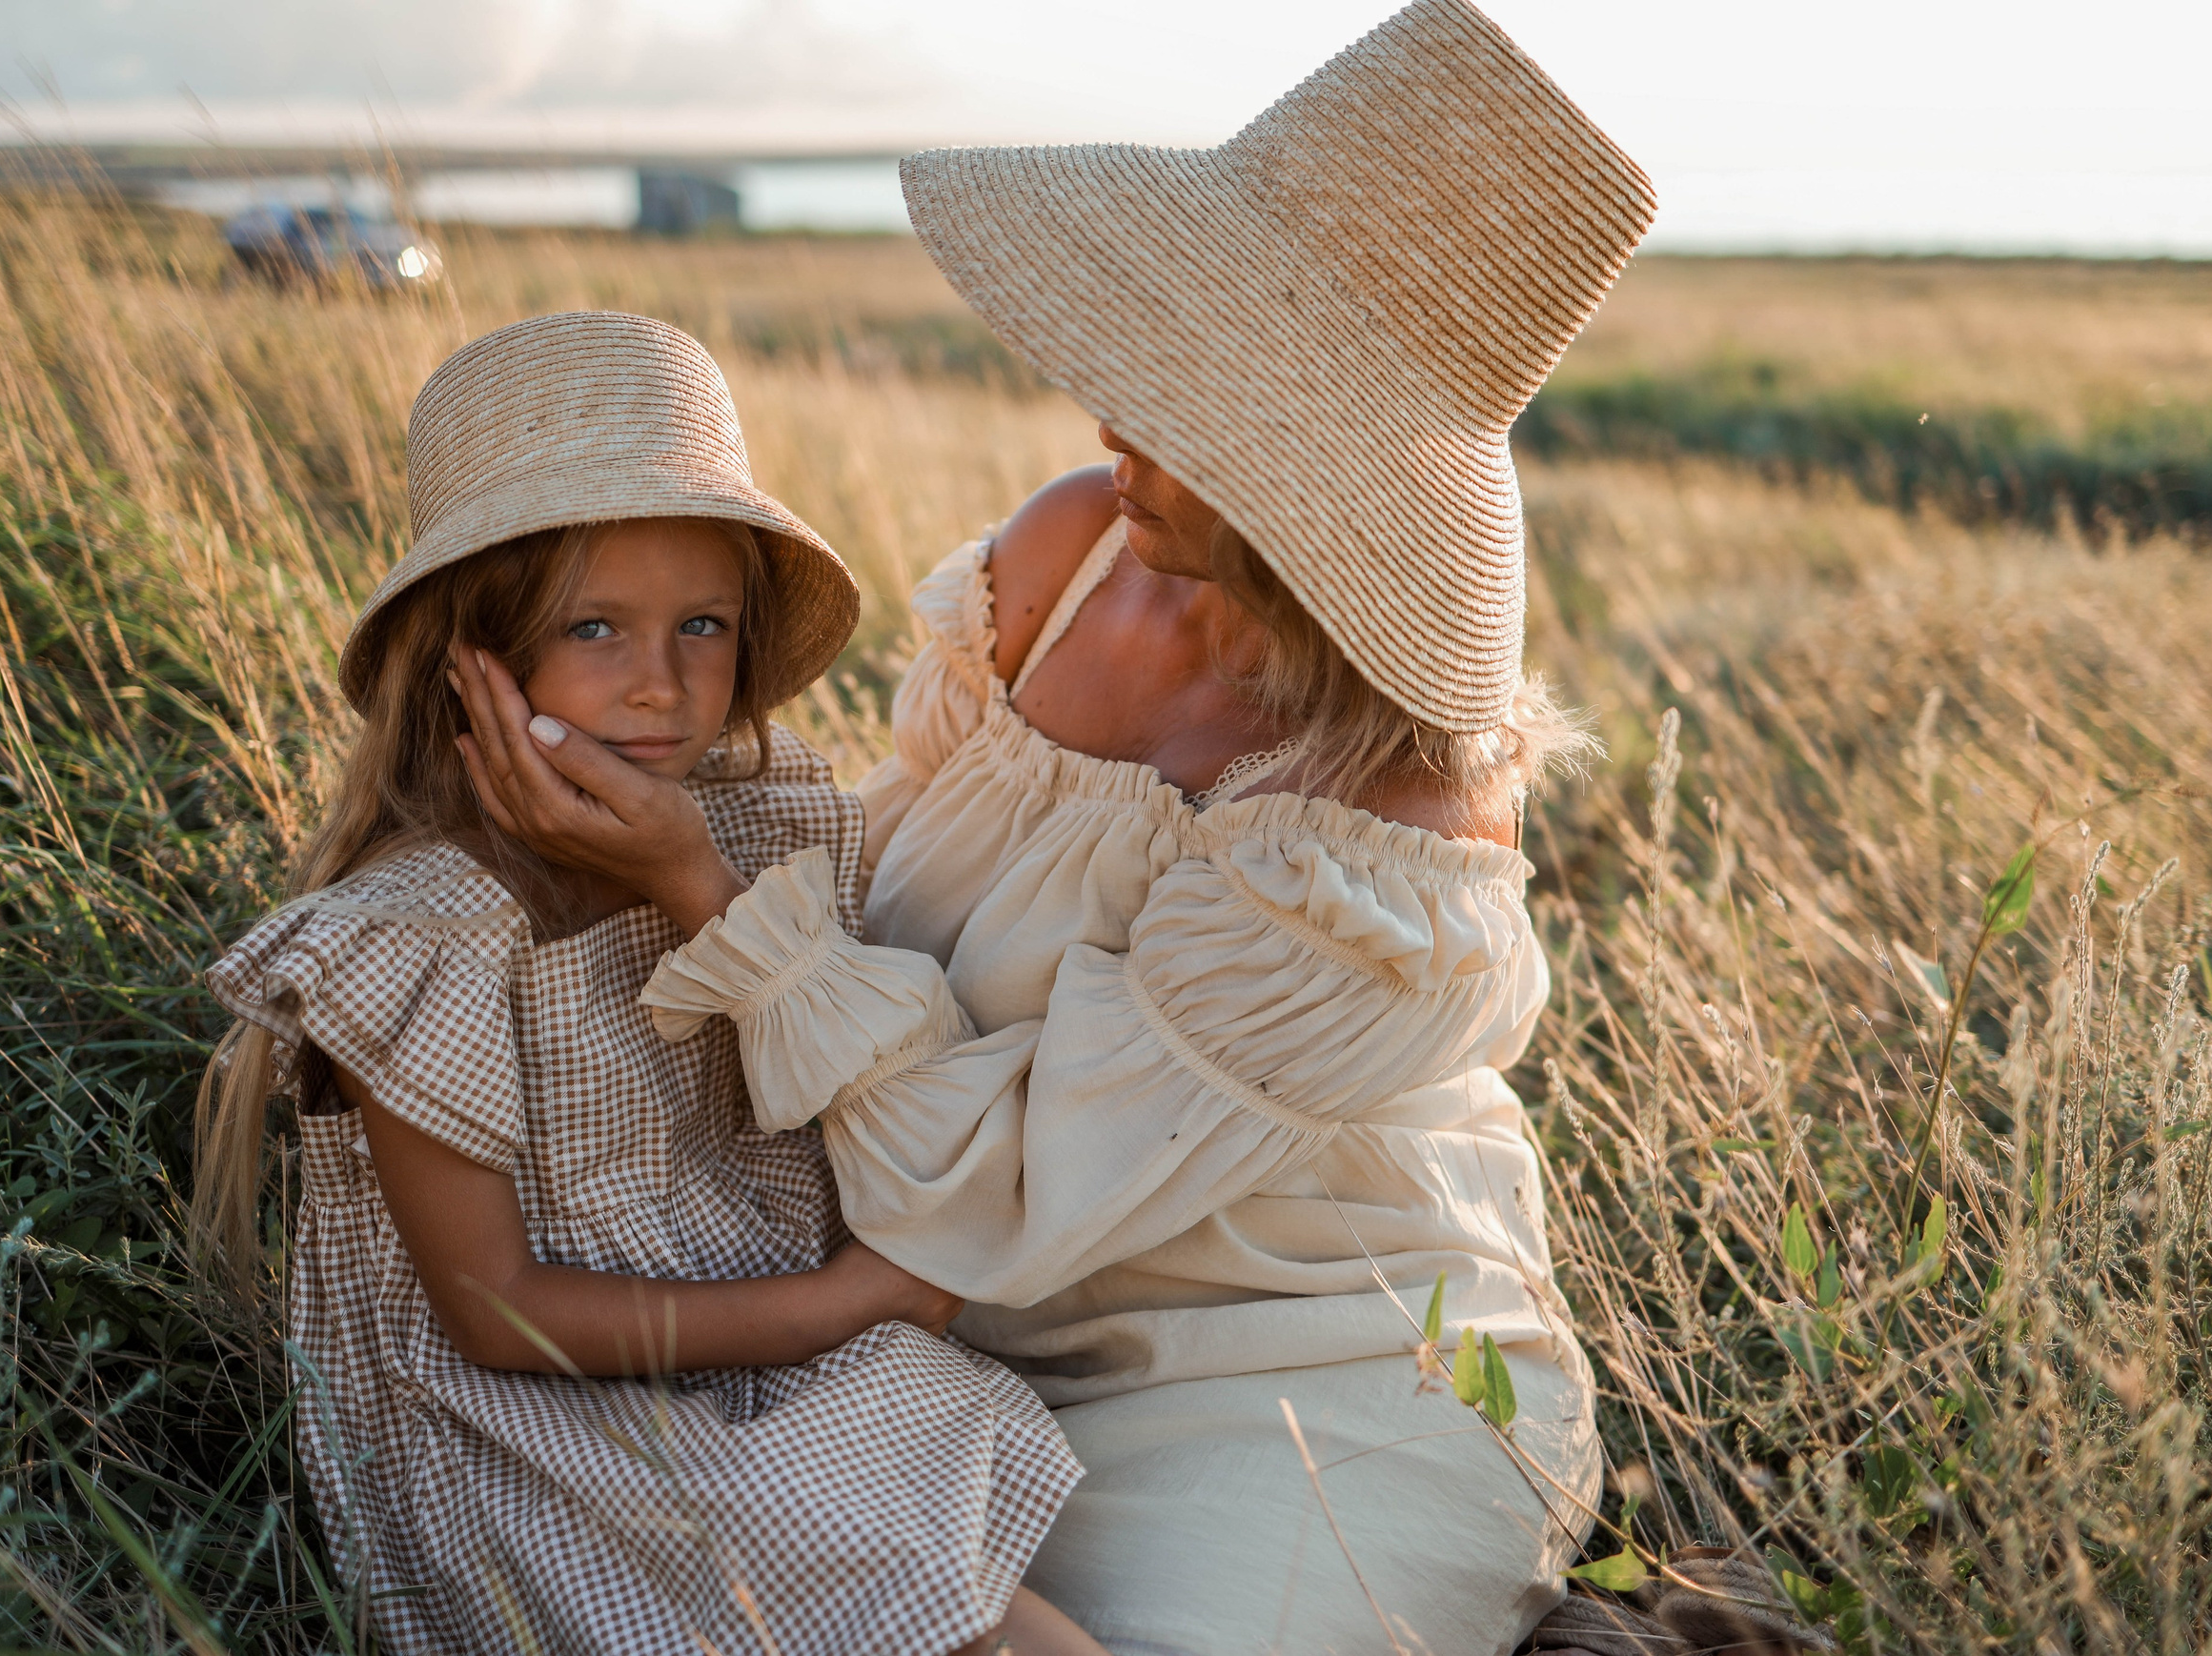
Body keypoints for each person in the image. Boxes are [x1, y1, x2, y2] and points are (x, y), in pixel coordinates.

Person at [456, 3, 1658, 1649]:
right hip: (931, 1311)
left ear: (1317, 460)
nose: (1109, 420)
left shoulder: (1389, 811)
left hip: (1303, 1368)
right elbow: (890, 888)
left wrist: (697, 885)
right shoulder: (1075, 550)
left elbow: (1003, 1198)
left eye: (1185, 394)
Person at [190, 312, 1104, 1656]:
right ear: (471, 661)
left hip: (736, 1356)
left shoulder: (743, 829)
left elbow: (823, 1108)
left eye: (703, 625)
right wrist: (847, 1303)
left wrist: (692, 883)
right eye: (596, 629)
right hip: (539, 1436)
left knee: (987, 1596)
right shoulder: (421, 939)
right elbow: (495, 1315)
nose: (663, 686)